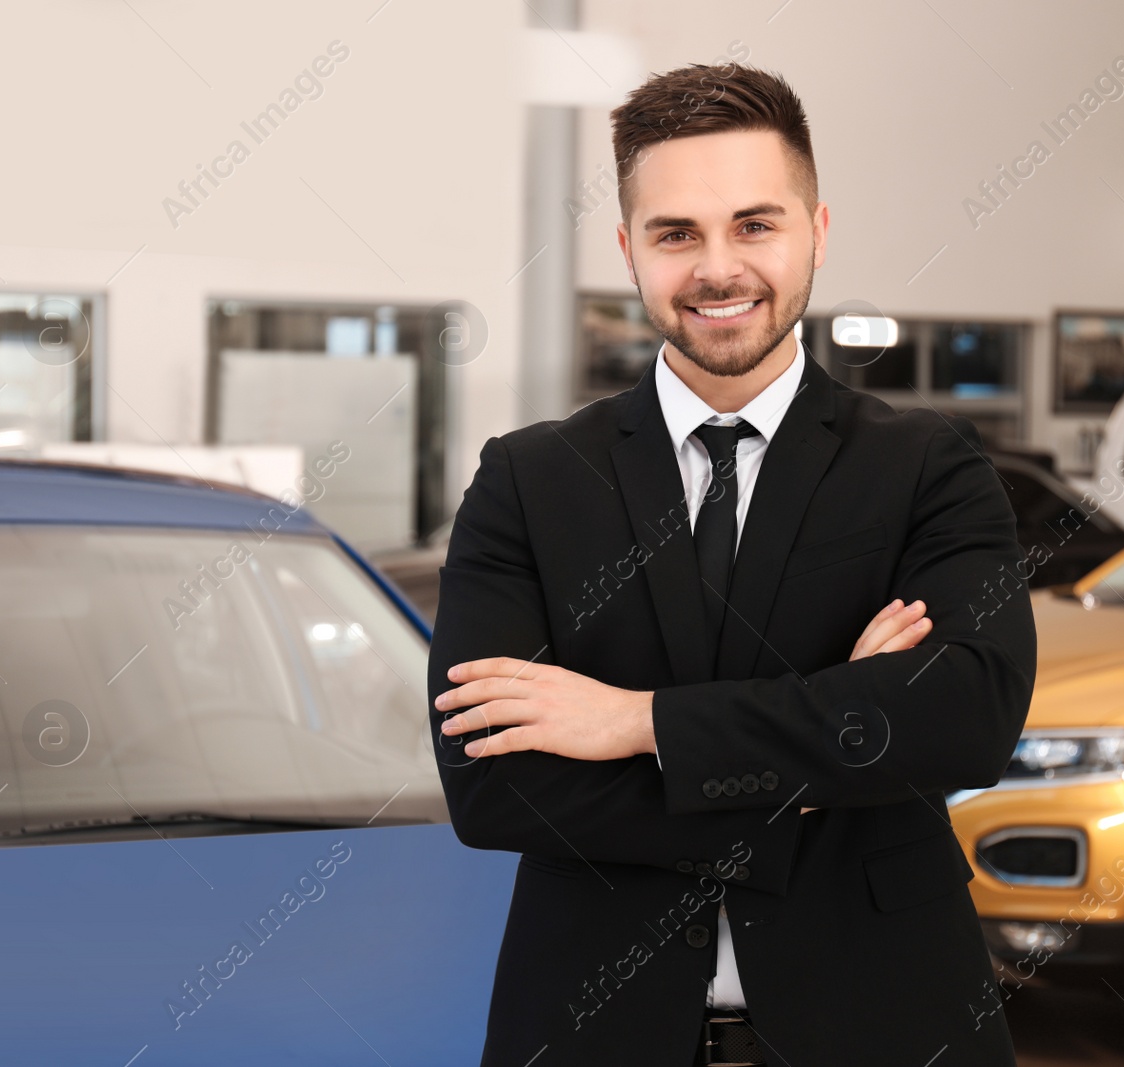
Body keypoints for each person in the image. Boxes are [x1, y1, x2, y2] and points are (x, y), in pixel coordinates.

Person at [429, 61, 1036, 1067]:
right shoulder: (529, 480)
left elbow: (965, 717)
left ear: (816, 230)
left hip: (889, 1025)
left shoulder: (926, 464)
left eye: (754, 224)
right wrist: (838, 728)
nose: (718, 268)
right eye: (677, 234)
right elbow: (492, 785)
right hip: (593, 1028)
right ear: (629, 250)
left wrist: (636, 722)